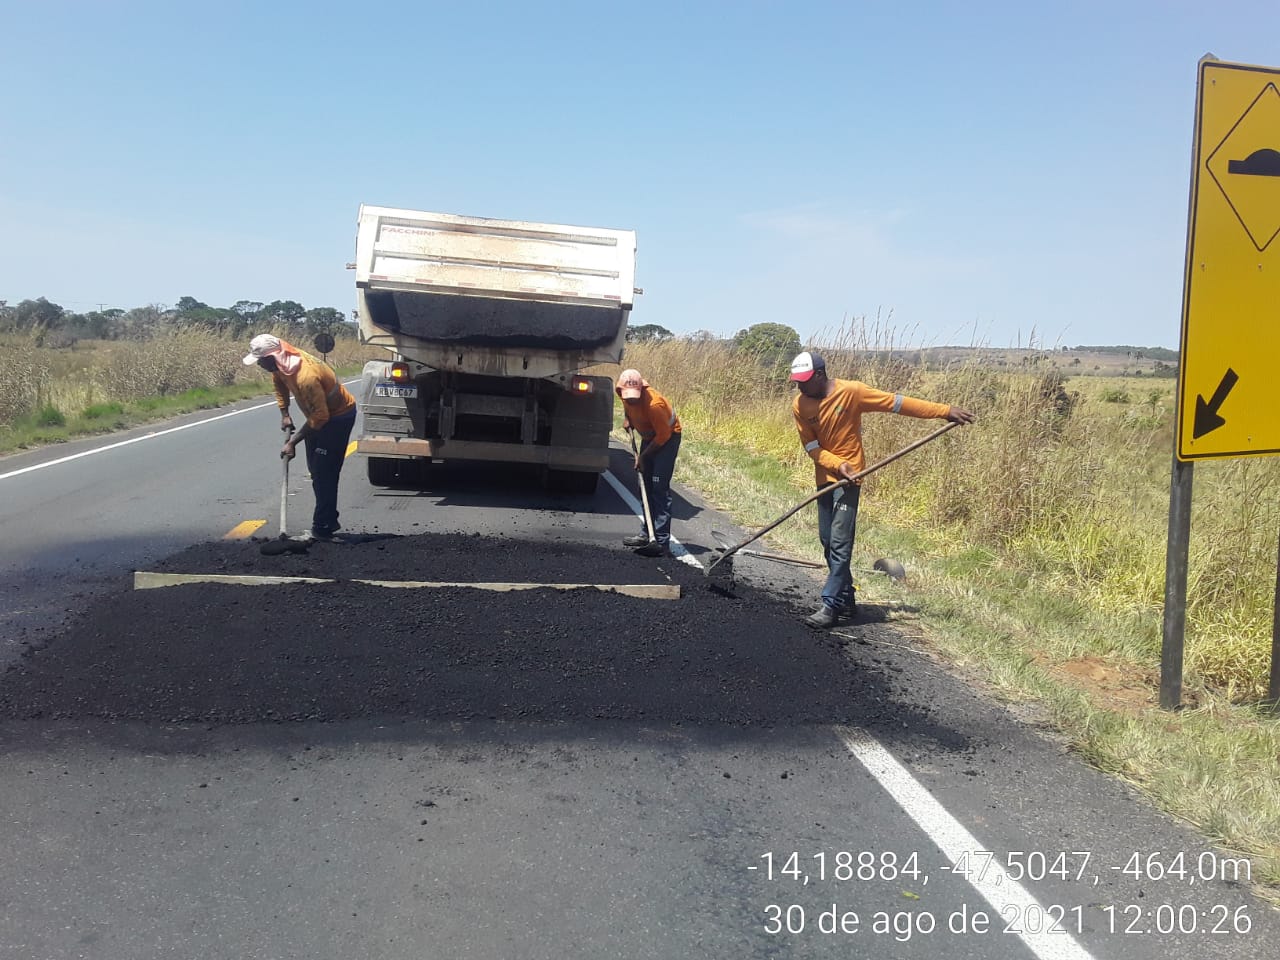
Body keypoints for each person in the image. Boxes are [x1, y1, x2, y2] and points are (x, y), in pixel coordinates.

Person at [790, 351, 975, 628]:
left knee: (840, 543)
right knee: (827, 541)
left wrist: (944, 411)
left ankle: (829, 606)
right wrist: (834, 464)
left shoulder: (852, 392)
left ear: (819, 374)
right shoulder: (800, 405)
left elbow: (897, 403)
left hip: (851, 478)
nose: (800, 387)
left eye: (804, 381)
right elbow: (811, 447)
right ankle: (846, 598)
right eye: (797, 382)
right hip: (825, 477)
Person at [243, 334, 357, 542]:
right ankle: (328, 520)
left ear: (273, 356)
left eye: (261, 360)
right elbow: (279, 383)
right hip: (318, 417)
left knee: (325, 472)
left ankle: (323, 528)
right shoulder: (281, 365)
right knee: (316, 470)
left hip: (338, 418)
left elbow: (322, 417)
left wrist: (292, 442)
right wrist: (284, 413)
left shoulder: (306, 376)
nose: (259, 364)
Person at [616, 368, 682, 557]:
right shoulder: (623, 393)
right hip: (648, 436)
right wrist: (628, 419)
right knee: (643, 484)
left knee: (658, 487)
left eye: (634, 398)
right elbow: (629, 408)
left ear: (642, 389)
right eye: (627, 398)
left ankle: (661, 542)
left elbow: (663, 436)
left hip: (666, 439)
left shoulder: (655, 405)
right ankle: (647, 534)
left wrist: (643, 456)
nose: (630, 400)